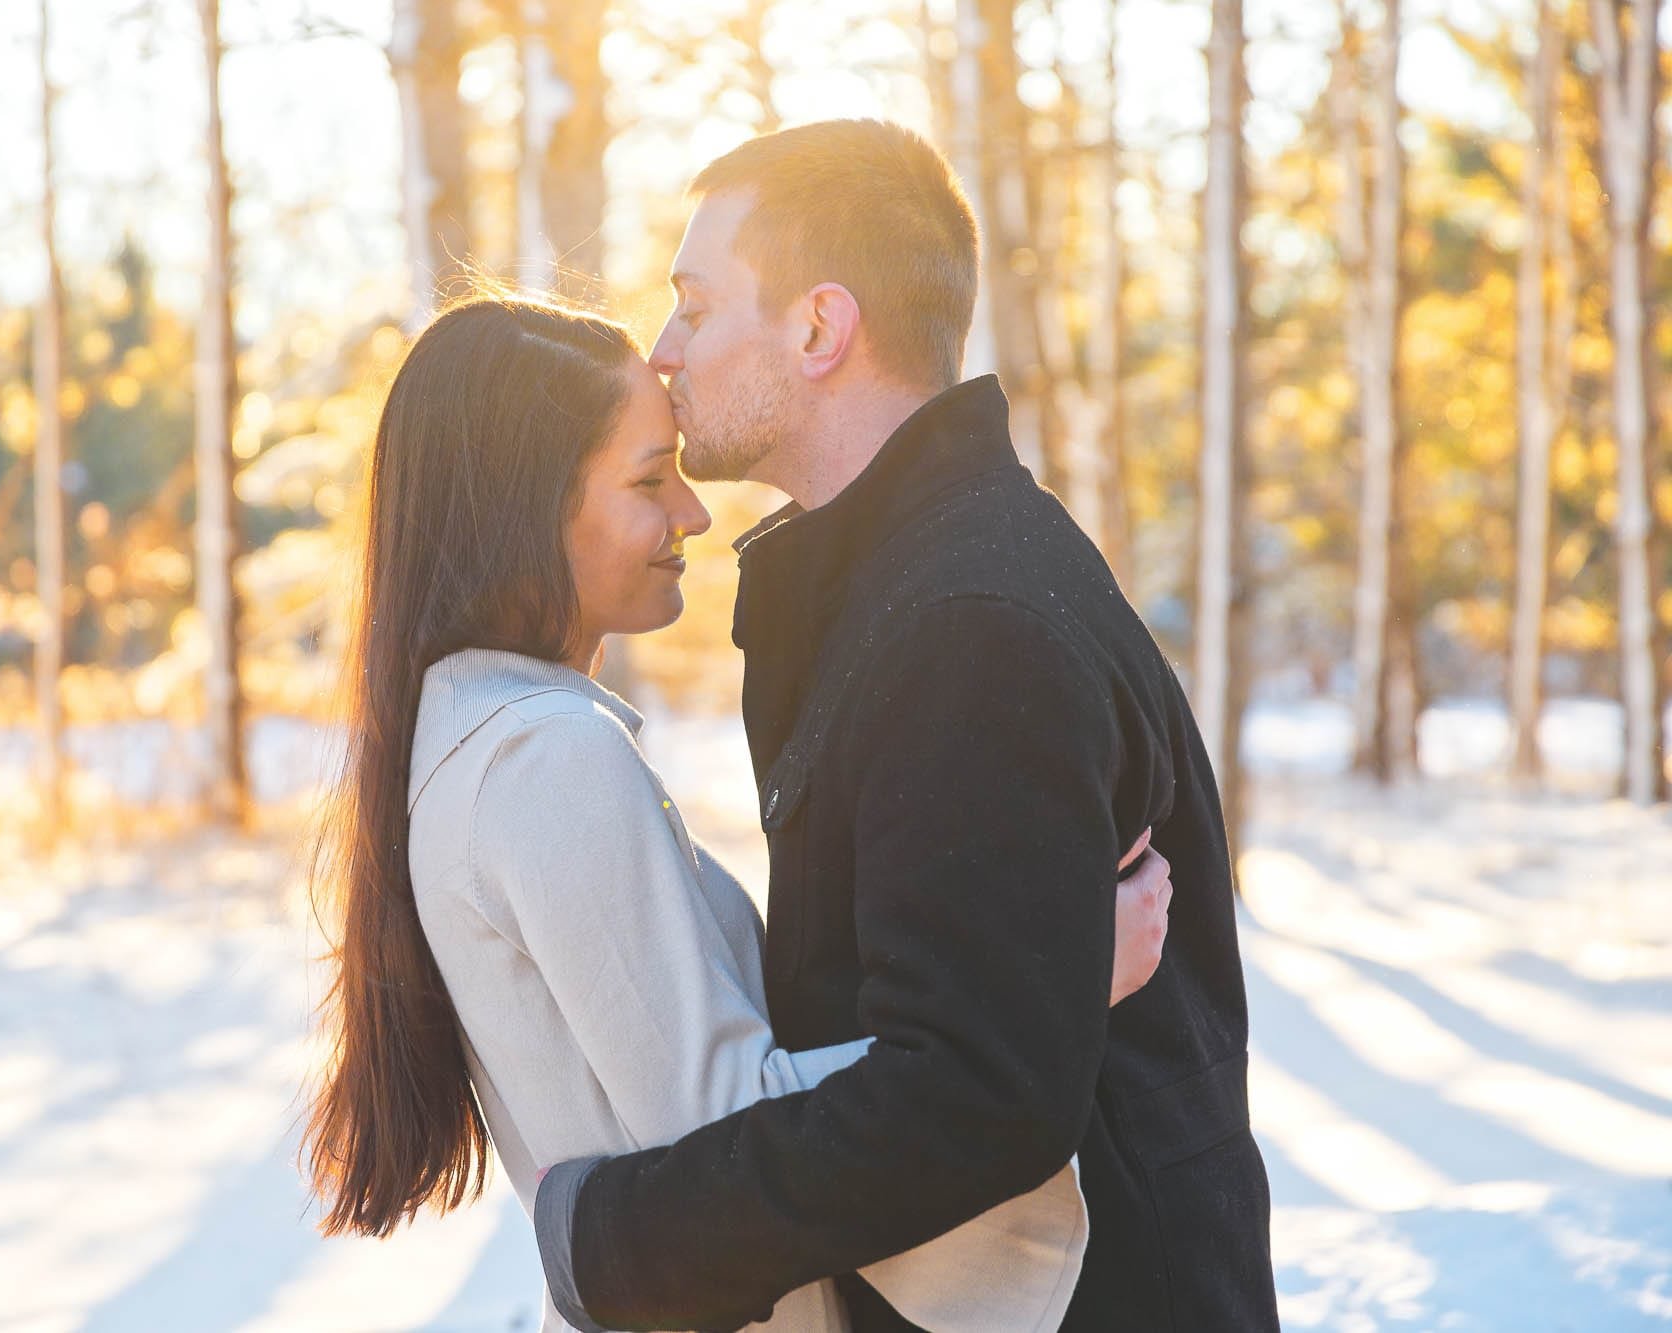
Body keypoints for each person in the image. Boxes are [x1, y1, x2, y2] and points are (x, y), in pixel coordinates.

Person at [297, 294, 1179, 1331]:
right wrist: (1050, 986)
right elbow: (724, 1122)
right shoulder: (543, 757)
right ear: (521, 508)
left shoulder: (472, 732)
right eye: (645, 477)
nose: (692, 513)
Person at [530, 119, 1281, 1333]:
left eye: (695, 304)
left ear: (819, 328)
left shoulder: (963, 624)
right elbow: (921, 1006)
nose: (662, 351)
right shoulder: (905, 583)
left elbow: (968, 1094)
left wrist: (621, 1239)